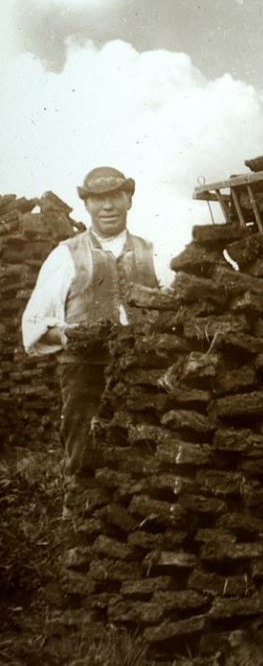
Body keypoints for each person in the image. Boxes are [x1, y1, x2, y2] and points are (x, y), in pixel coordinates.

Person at [22, 166, 163, 479]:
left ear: (129, 199)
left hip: (143, 370)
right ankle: (80, 516)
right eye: (98, 199)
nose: (108, 206)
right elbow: (34, 324)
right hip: (85, 373)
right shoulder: (65, 255)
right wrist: (70, 336)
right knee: (85, 456)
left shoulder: (152, 252)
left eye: (115, 196)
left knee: (145, 459)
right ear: (86, 205)